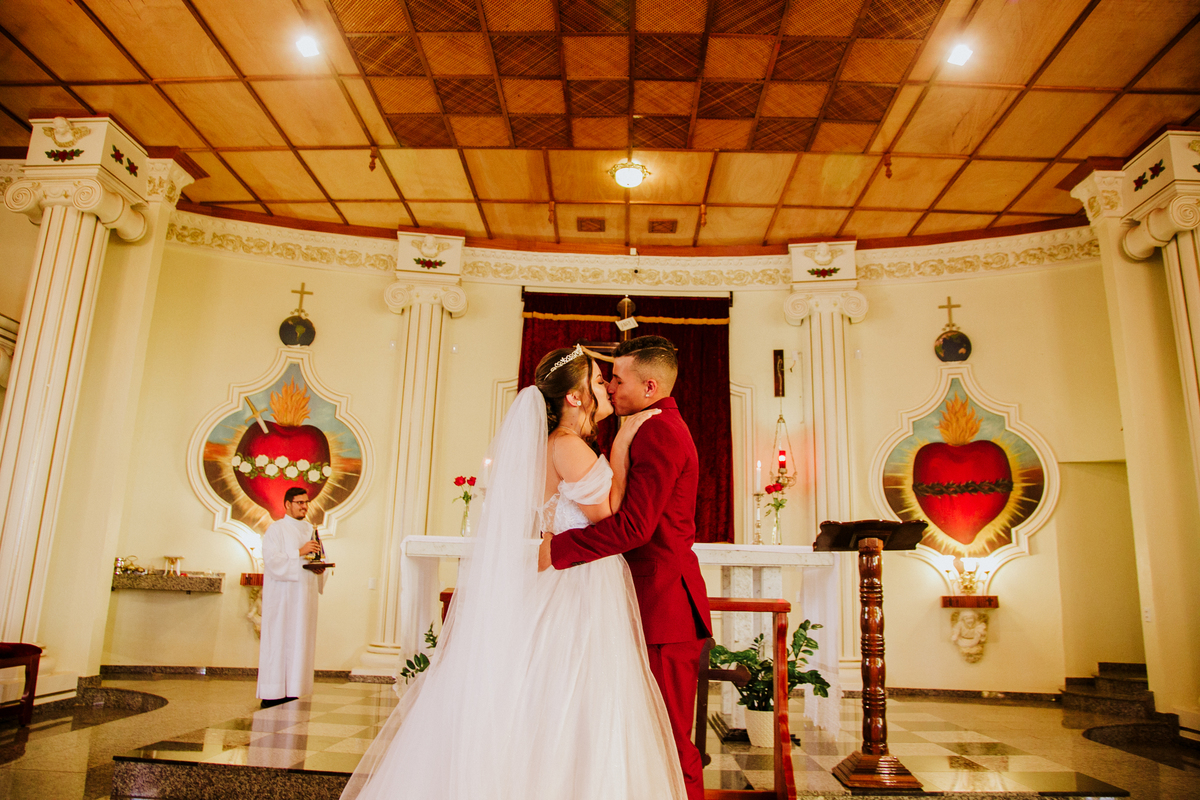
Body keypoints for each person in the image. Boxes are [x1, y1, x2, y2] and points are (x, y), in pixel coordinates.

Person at [341, 344, 684, 800]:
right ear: (575, 397)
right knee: (574, 699)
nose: (607, 386)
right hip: (577, 586)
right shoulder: (567, 445)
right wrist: (622, 445)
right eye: (599, 380)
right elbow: (610, 513)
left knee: (555, 700)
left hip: (571, 579)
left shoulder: (561, 444)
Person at [539, 335, 712, 800]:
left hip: (662, 606)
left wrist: (557, 550)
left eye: (617, 379)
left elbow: (634, 527)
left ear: (650, 386)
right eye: (606, 380)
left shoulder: (657, 431)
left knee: (670, 741)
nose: (610, 387)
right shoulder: (638, 428)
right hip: (639, 603)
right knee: (639, 736)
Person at [257, 487, 328, 708]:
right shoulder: (276, 529)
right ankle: (272, 692)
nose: (304, 507)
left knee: (300, 641)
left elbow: (320, 558)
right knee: (278, 640)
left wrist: (320, 569)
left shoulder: (310, 530)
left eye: (306, 502)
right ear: (287, 504)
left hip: (304, 598)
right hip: (282, 598)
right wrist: (299, 551)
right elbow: (271, 560)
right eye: (300, 502)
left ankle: (294, 690)